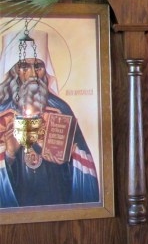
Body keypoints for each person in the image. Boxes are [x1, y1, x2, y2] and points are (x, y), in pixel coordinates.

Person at [0, 30, 99, 207]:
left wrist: (66, 156)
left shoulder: (60, 109)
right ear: (14, 71)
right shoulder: (2, 112)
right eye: (24, 67)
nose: (33, 74)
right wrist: (9, 154)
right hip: (17, 201)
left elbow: (81, 162)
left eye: (38, 66)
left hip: (55, 194)